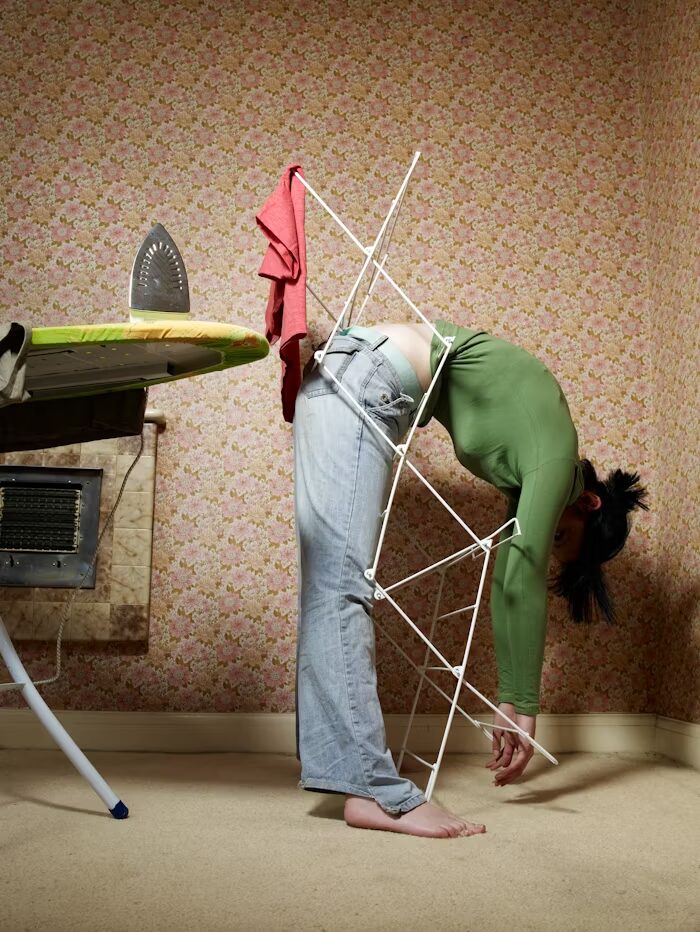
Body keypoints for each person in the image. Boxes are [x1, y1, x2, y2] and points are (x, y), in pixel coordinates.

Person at [293, 319, 648, 839]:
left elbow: (507, 577)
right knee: (339, 590)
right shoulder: (556, 457)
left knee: (329, 588)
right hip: (362, 377)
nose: (547, 536)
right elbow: (524, 569)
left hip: (343, 374)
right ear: (589, 503)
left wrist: (509, 699)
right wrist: (526, 706)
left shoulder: (527, 469)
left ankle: (354, 781)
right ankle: (372, 791)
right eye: (560, 536)